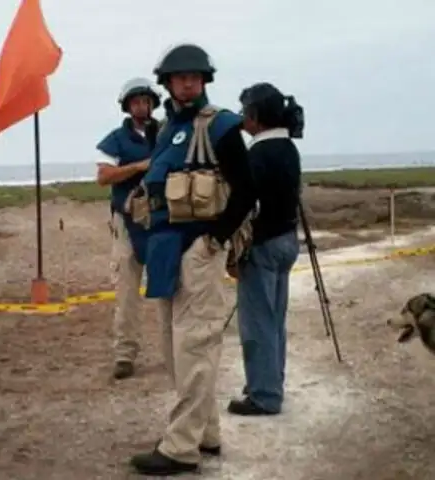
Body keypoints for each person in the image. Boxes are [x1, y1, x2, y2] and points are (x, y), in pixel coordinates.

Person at [127, 44, 256, 476]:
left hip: (198, 250)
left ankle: (181, 447)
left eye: (195, 77)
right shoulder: (166, 130)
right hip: (164, 250)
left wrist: (215, 241)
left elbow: (245, 189)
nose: (188, 82)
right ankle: (205, 433)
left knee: (195, 345)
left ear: (204, 81)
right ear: (167, 83)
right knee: (175, 348)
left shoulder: (219, 126)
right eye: (180, 77)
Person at [224, 82, 303, 416]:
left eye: (246, 112)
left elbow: (244, 202)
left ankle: (264, 394)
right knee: (275, 319)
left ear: (256, 116)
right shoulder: (288, 148)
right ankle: (271, 380)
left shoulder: (257, 153)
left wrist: (224, 239)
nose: (243, 118)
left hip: (263, 245)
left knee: (256, 322)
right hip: (287, 240)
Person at [95, 77, 162, 380]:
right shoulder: (115, 139)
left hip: (162, 219)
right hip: (126, 221)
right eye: (136, 101)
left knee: (169, 288)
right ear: (127, 106)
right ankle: (125, 354)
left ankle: (173, 350)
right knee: (126, 291)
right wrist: (138, 167)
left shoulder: (166, 133)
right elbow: (104, 176)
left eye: (145, 101)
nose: (141, 106)